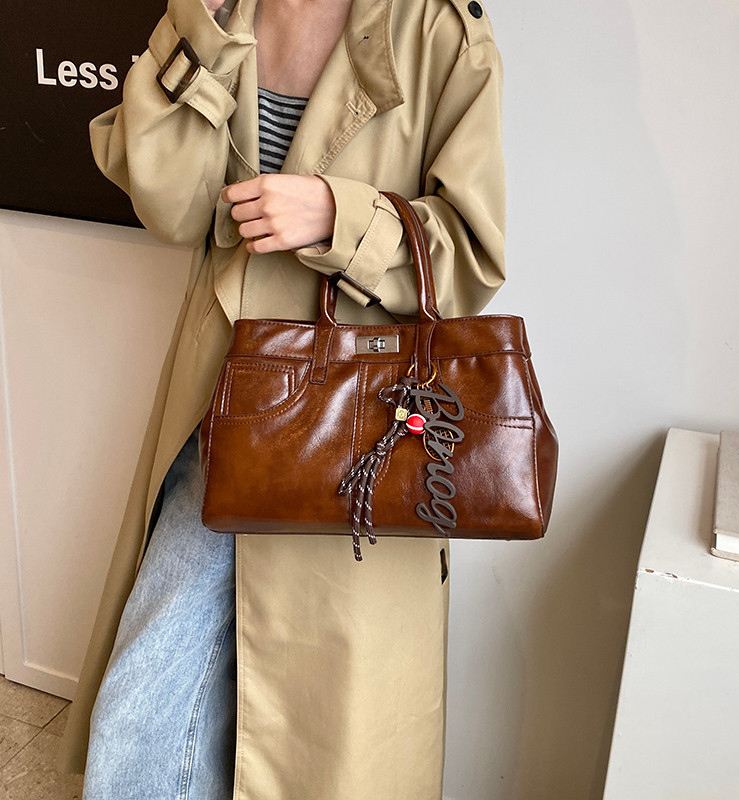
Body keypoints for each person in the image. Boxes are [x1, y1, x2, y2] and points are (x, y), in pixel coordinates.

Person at [57, 0, 506, 797]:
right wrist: (202, 27)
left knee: (319, 736)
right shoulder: (218, 10)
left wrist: (339, 214)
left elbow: (472, 254)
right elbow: (173, 209)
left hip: (363, 426)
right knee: (144, 711)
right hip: (224, 400)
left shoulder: (437, 29)